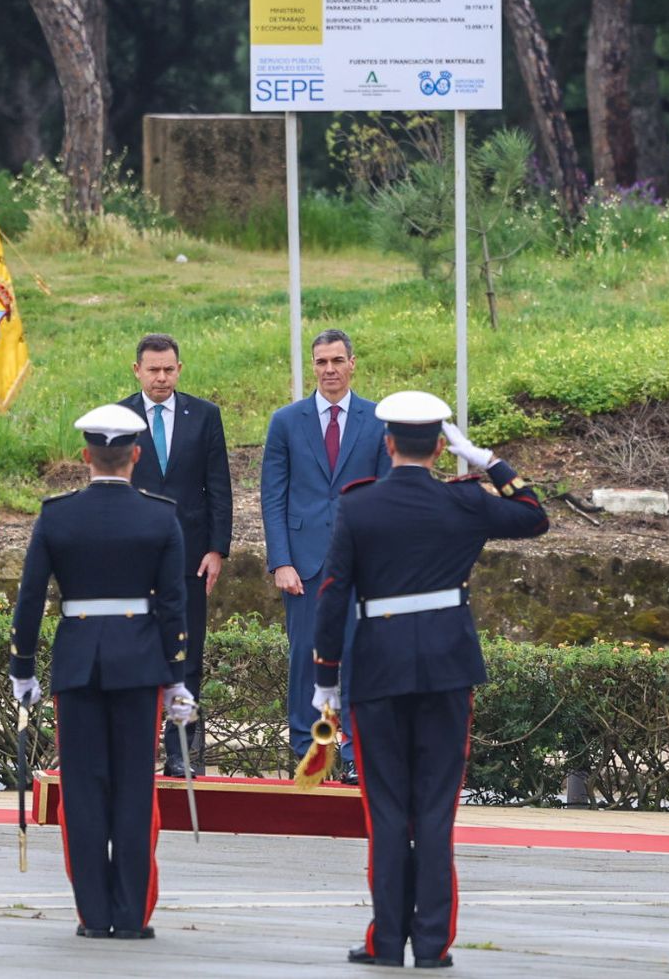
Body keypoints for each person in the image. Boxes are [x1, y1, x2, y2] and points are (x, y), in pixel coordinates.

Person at [312, 391, 548, 968]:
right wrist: (491, 462)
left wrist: (326, 677)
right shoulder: (466, 502)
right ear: (443, 448)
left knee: (387, 811)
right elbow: (535, 517)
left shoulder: (358, 506)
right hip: (446, 668)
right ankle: (434, 945)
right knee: (436, 811)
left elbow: (333, 592)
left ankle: (387, 943)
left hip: (378, 670)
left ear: (387, 443)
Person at [8, 404, 193, 941]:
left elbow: (30, 598)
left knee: (84, 792)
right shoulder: (161, 516)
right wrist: (177, 676)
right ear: (136, 455)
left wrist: (23, 667)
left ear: (85, 457)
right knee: (135, 789)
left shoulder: (57, 515)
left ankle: (93, 914)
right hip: (139, 666)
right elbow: (174, 605)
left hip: (77, 663)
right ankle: (131, 915)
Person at [259, 328, 389, 777]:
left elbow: (386, 497)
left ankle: (352, 753)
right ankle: (305, 749)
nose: (329, 369)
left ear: (352, 363)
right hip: (304, 562)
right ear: (312, 366)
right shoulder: (286, 421)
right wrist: (281, 561)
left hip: (361, 563)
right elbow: (272, 497)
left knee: (357, 654)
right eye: (321, 362)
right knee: (306, 655)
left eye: (337, 360)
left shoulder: (379, 420)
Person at [118, 333, 232, 777]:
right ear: (137, 370)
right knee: (133, 656)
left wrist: (217, 549)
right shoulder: (119, 417)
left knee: (187, 658)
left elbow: (218, 488)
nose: (161, 377)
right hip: (133, 560)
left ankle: (182, 754)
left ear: (179, 369)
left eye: (169, 369)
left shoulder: (204, 416)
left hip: (190, 560)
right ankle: (133, 751)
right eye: (153, 370)